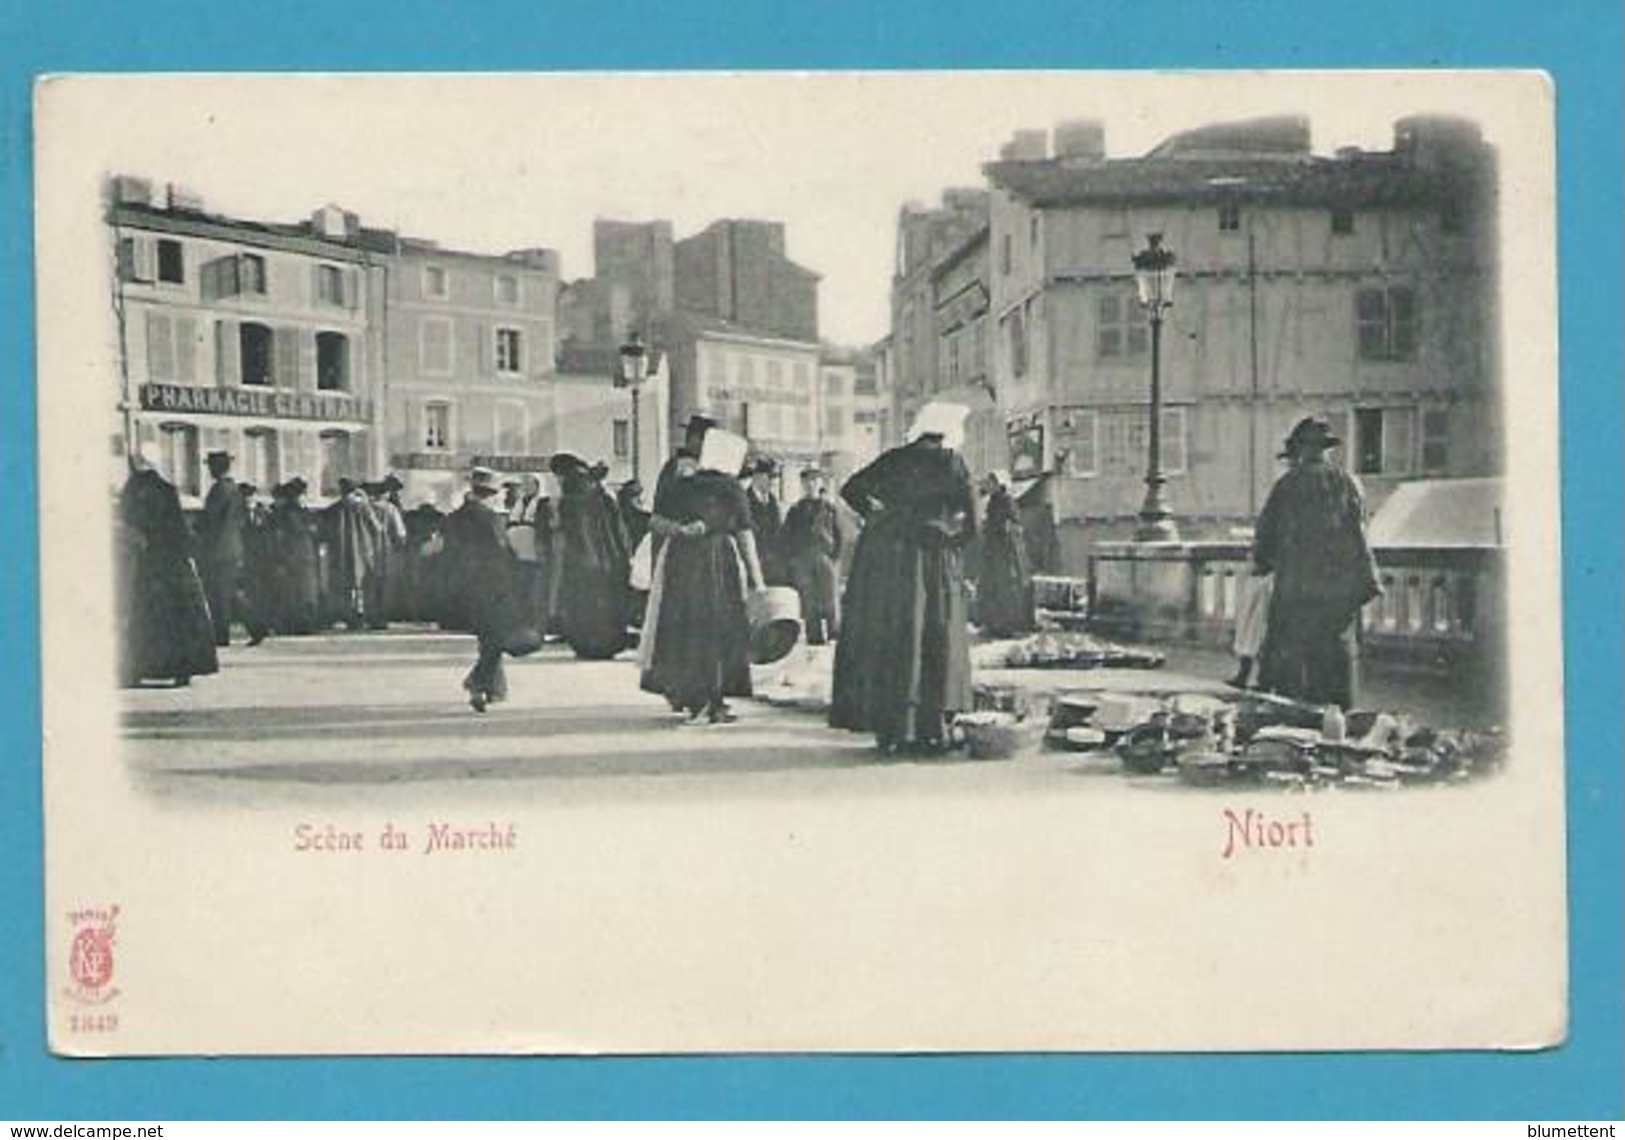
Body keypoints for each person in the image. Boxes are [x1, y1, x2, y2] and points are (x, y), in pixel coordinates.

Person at [830, 402, 977, 754]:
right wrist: (957, 541)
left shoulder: (894, 458)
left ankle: (892, 731)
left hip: (889, 561)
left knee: (895, 637)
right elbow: (972, 515)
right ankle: (930, 729)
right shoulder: (951, 461)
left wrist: (877, 516)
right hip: (931, 558)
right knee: (933, 636)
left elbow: (850, 488)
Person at [1252, 416, 1381, 709]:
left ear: (1299, 450)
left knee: (1293, 662)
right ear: (1327, 450)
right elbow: (1359, 534)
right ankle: (1337, 721)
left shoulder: (1286, 485)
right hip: (1338, 592)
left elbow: (1265, 540)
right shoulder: (1349, 483)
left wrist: (1265, 562)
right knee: (1336, 658)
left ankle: (1293, 724)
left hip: (1295, 590)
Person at [638, 428, 765, 723]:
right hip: (718, 561)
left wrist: (679, 531)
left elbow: (654, 522)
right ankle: (715, 699)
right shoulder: (731, 489)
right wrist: (758, 580)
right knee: (719, 626)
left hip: (680, 561)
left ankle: (691, 697)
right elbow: (745, 536)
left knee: (685, 628)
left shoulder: (681, 484)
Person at [117, 455, 218, 686]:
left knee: (145, 616)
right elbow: (179, 529)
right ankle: (182, 669)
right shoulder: (167, 489)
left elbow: (126, 523)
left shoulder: (132, 490)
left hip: (146, 562)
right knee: (179, 616)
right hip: (173, 563)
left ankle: (137, 670)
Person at [440, 467, 523, 712]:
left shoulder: (453, 519)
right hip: (492, 585)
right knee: (495, 638)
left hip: (464, 585)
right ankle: (478, 682)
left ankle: (492, 689)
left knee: (486, 638)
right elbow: (503, 553)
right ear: (491, 494)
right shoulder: (491, 519)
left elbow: (447, 554)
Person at [551, 453, 634, 660]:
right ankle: (608, 644)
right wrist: (625, 554)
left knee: (583, 602)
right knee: (607, 600)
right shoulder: (604, 496)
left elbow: (571, 531)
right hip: (610, 558)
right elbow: (620, 529)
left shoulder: (571, 500)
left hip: (582, 559)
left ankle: (587, 644)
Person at [780, 465, 843, 645]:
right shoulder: (796, 510)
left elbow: (839, 536)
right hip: (803, 559)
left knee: (830, 596)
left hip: (825, 557)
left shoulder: (829, 509)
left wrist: (834, 558)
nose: (810, 485)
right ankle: (814, 636)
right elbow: (787, 536)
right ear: (802, 484)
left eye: (814, 481)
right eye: (807, 482)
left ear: (820, 483)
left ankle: (833, 633)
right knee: (809, 599)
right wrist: (793, 560)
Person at [976, 470, 1037, 638]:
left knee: (1007, 587)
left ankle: (1009, 625)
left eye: (991, 483)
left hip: (1006, 551)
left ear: (999, 484)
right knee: (991, 586)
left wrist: (1003, 530)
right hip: (993, 551)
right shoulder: (992, 502)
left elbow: (1013, 524)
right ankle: (993, 624)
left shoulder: (1006, 501)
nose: (988, 486)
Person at [196, 450, 246, 647]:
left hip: (217, 549)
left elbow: (209, 519)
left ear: (216, 468)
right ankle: (257, 626)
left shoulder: (218, 490)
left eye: (210, 466)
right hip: (233, 547)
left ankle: (221, 634)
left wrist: (197, 531)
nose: (209, 470)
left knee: (219, 593)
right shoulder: (235, 489)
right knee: (229, 592)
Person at [322, 477, 383, 630]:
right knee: (360, 584)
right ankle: (360, 615)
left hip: (339, 552)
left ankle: (347, 614)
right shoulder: (365, 508)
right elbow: (377, 529)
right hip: (363, 552)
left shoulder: (333, 509)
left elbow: (323, 533)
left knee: (343, 584)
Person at [267, 477, 321, 634]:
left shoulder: (285, 512)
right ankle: (300, 623)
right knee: (300, 591)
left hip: (296, 556)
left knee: (296, 591)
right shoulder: (293, 512)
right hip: (297, 555)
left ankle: (295, 623)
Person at [506, 472, 558, 637]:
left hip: (533, 548)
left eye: (530, 484)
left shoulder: (543, 504)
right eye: (524, 485)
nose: (526, 488)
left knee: (534, 587)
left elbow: (546, 528)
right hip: (517, 548)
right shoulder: (517, 504)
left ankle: (535, 624)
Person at [364, 475, 408, 629]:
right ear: (386, 494)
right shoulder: (390, 509)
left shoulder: (365, 508)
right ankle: (381, 617)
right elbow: (400, 533)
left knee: (368, 584)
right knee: (384, 584)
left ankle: (369, 616)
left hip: (366, 550)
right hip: (385, 550)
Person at [744, 456, 788, 586]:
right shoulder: (744, 500)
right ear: (757, 477)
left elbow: (779, 530)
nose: (772, 483)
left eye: (774, 479)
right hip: (753, 561)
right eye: (770, 478)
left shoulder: (774, 501)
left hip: (773, 563)